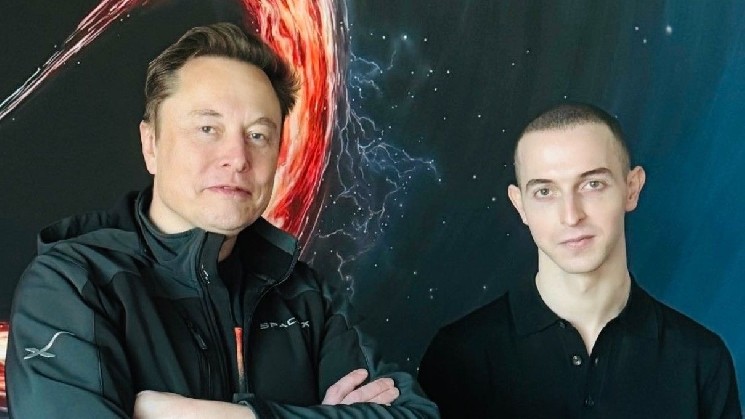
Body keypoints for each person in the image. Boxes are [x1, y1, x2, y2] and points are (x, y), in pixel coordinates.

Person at [6, 22, 438, 418]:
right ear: (151, 144)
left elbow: (417, 415)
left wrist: (225, 416)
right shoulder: (73, 284)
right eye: (207, 129)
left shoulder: (305, 296)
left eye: (258, 135)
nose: (238, 157)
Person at [417, 103, 741, 418]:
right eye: (545, 192)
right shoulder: (457, 358)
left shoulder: (701, 360)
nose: (571, 216)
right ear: (520, 205)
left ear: (631, 188)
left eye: (592, 185)